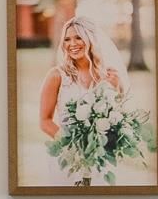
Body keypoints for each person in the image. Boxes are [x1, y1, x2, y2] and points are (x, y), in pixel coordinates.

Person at [38, 11, 133, 185]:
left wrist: (104, 144)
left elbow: (118, 119)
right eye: (67, 39)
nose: (72, 44)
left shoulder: (110, 76)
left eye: (78, 38)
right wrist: (74, 147)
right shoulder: (57, 76)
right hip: (67, 158)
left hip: (100, 159)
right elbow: (44, 121)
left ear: (91, 39)